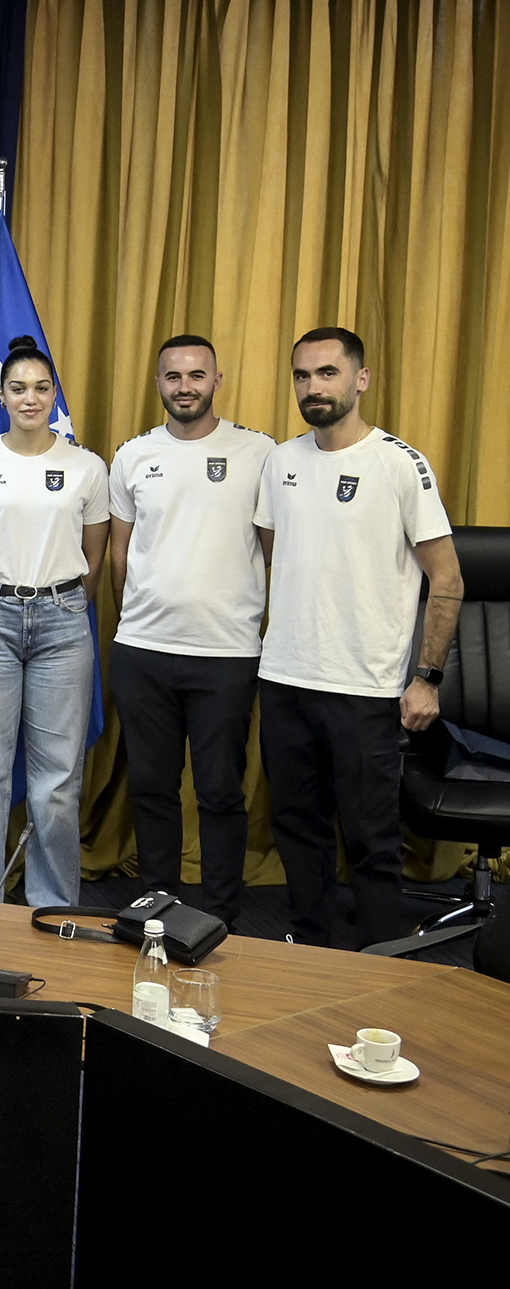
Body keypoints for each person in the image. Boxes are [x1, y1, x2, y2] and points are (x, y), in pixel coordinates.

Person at [255, 326, 462, 948]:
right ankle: (310, 945)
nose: (313, 387)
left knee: (372, 837)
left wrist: (427, 679)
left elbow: (447, 578)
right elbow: (277, 555)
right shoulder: (282, 461)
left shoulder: (399, 463)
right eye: (302, 375)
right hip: (285, 678)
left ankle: (380, 963)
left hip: (366, 687)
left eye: (327, 373)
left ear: (360, 379)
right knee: (297, 826)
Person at [107, 335, 275, 926]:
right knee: (152, 790)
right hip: (143, 651)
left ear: (217, 381)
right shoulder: (131, 456)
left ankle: (222, 912)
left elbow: (273, 549)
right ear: (158, 384)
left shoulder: (260, 453)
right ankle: (156, 908)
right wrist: (141, 612)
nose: (185, 387)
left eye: (196, 375)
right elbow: (118, 556)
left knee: (220, 792)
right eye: (174, 377)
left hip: (226, 654)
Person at [0, 336, 109, 908]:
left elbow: (95, 556)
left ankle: (53, 907)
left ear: (54, 394)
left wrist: (58, 600)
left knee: (58, 785)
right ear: (2, 395)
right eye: (18, 388)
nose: (30, 398)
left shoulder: (87, 466)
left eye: (42, 388)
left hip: (64, 625)